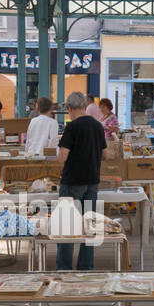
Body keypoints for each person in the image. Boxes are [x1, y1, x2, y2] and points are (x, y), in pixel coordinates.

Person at [56, 90, 107, 270]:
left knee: (67, 228)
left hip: (72, 183)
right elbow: (106, 154)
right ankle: (86, 268)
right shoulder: (97, 126)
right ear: (85, 106)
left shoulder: (72, 127)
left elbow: (62, 157)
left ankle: (65, 269)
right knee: (89, 227)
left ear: (69, 108)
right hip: (92, 181)